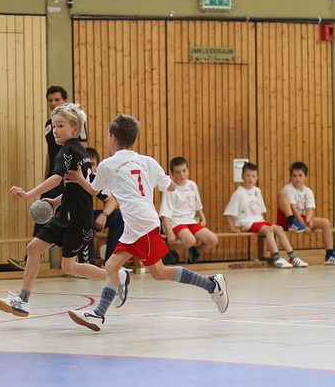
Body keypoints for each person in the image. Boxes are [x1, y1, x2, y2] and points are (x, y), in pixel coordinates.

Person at [65, 114, 228, 331]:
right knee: (112, 266)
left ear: (112, 138)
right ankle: (98, 313)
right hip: (137, 223)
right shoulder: (148, 161)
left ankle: (212, 284)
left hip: (140, 223)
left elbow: (94, 191)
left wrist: (78, 178)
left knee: (158, 272)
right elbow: (171, 187)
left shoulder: (108, 164)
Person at [0, 103, 128, 317]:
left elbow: (57, 179)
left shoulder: (67, 151)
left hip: (77, 218)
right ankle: (23, 300)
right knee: (33, 249)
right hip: (65, 213)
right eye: (54, 126)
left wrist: (28, 194)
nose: (55, 130)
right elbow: (74, 188)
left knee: (69, 267)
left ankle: (116, 276)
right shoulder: (79, 151)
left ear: (75, 129)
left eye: (60, 126)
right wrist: (57, 201)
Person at [7, 86, 88, 271]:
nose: (53, 103)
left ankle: (82, 260)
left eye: (57, 99)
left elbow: (80, 150)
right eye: (50, 100)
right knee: (44, 211)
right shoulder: (48, 125)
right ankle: (32, 256)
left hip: (68, 176)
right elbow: (50, 155)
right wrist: (47, 175)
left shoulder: (75, 130)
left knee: (71, 215)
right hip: (55, 174)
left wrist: (81, 174)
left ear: (65, 100)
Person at [224, 162, 308, 269]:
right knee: (269, 230)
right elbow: (228, 214)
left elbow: (260, 211)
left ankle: (293, 257)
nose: (250, 178)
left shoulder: (257, 191)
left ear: (257, 178)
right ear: (242, 176)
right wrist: (233, 228)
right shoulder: (238, 193)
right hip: (246, 222)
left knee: (279, 228)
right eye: (248, 175)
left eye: (253, 176)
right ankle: (277, 258)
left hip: (258, 221)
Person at [277, 161, 335, 265]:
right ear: (291, 177)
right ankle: (293, 223)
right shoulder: (288, 188)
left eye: (300, 175)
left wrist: (308, 221)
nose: (297, 178)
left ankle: (329, 254)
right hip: (288, 218)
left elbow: (310, 209)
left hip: (301, 218)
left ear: (306, 177)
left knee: (325, 222)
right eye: (294, 176)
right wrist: (304, 226)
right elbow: (293, 209)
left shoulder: (308, 191)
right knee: (283, 194)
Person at [159, 156, 218, 263]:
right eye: (178, 172)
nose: (181, 174)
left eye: (184, 171)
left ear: (188, 171)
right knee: (190, 240)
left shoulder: (192, 185)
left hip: (190, 221)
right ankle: (165, 247)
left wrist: (203, 219)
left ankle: (195, 253)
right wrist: (170, 232)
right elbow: (165, 214)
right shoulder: (170, 189)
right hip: (175, 222)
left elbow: (198, 205)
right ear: (172, 174)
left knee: (212, 239)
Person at [86, 148, 124, 264]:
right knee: (84, 220)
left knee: (118, 216)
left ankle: (110, 263)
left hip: (87, 217)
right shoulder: (72, 177)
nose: (89, 168)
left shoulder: (94, 179)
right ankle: (88, 263)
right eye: (87, 164)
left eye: (92, 165)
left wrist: (104, 214)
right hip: (72, 218)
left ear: (97, 166)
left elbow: (112, 201)